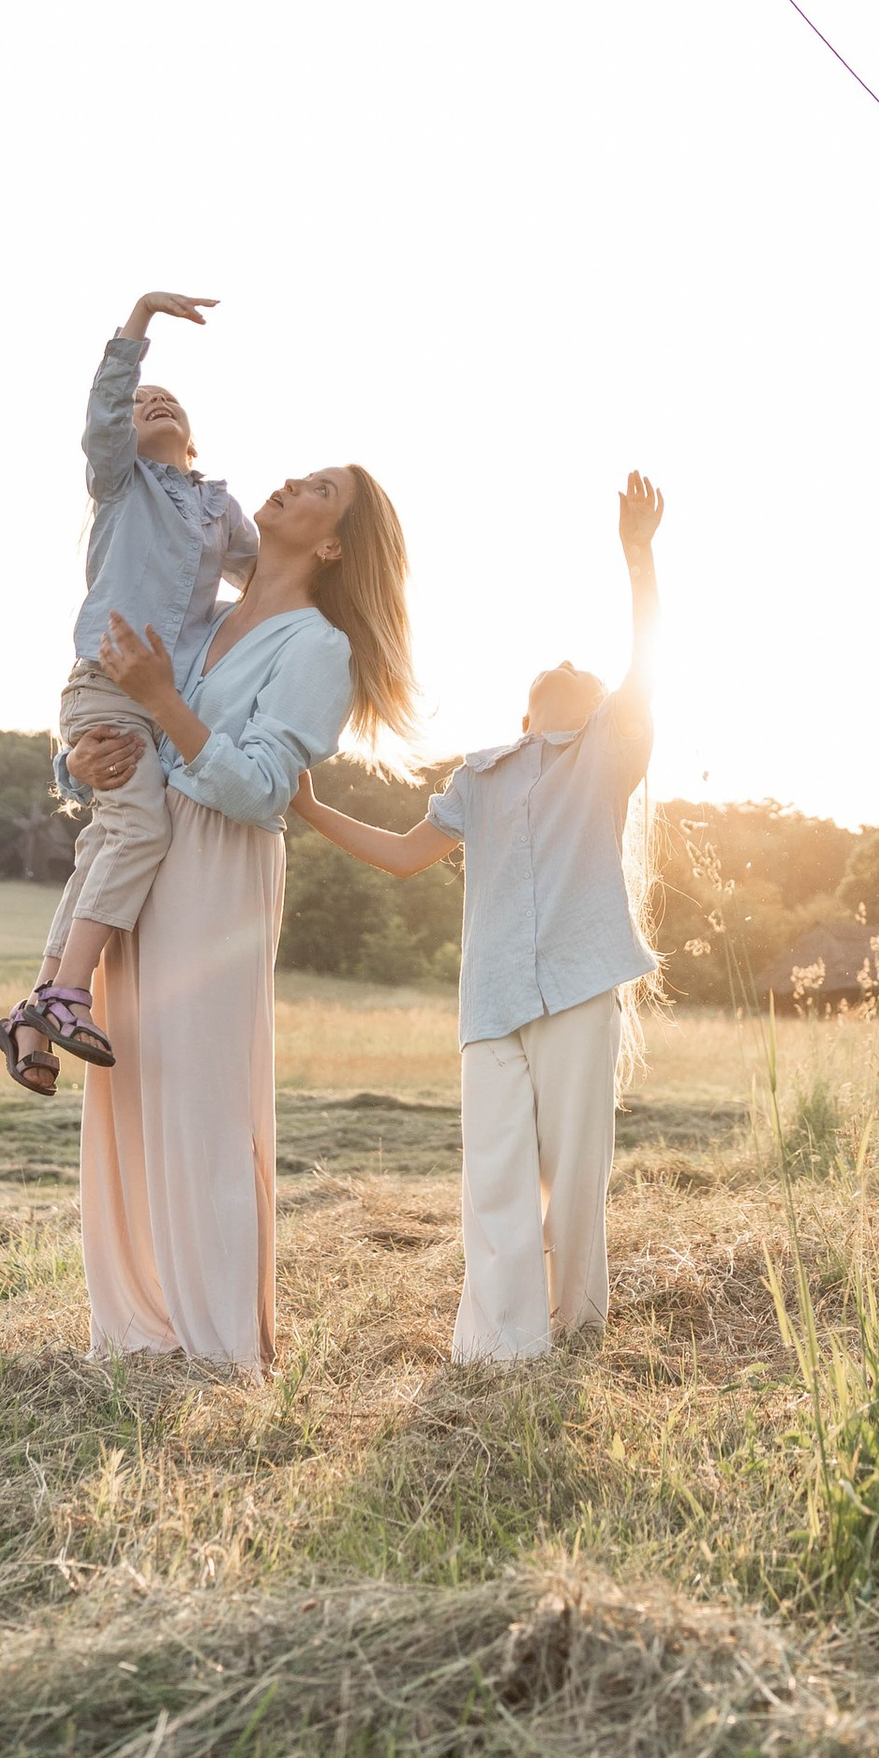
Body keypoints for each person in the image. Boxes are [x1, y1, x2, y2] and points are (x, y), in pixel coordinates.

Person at [295, 472, 662, 1365]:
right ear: (525, 711)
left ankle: (575, 1327)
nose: (574, 662)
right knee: (496, 1173)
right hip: (493, 999)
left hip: (579, 987)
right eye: (556, 672)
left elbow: (645, 670)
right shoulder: (480, 777)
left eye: (586, 668)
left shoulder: (607, 754)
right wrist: (309, 809)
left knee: (575, 1175)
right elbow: (401, 853)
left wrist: (638, 557)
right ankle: (503, 1345)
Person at [71, 459, 413, 1372]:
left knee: (203, 1101)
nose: (292, 485)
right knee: (131, 1085)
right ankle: (141, 1331)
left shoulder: (319, 647)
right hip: (146, 859)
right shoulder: (207, 621)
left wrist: (159, 701)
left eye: (319, 492)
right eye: (300, 476)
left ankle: (222, 1345)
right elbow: (133, 731)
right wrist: (84, 763)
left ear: (333, 544)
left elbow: (262, 790)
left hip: (219, 871)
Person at [0, 291, 260, 1095]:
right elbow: (105, 413)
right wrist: (139, 322)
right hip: (107, 687)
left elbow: (271, 577)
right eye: (142, 403)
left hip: (162, 701)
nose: (154, 402)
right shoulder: (121, 484)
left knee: (105, 844)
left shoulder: (219, 507)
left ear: (193, 434)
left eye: (167, 399)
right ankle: (69, 992)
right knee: (139, 828)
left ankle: (35, 1008)